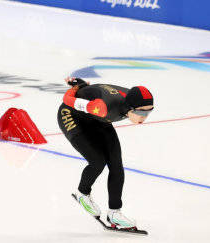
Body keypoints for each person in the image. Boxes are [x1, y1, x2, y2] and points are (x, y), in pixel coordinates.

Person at [57, 77, 154, 229]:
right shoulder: (104, 107)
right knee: (97, 162)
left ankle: (114, 213)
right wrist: (76, 88)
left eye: (149, 111)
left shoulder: (131, 98)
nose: (144, 117)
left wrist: (82, 84)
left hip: (98, 119)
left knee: (116, 165)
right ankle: (82, 193)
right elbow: (68, 99)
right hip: (72, 115)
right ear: (130, 107)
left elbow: (98, 90)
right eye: (140, 112)